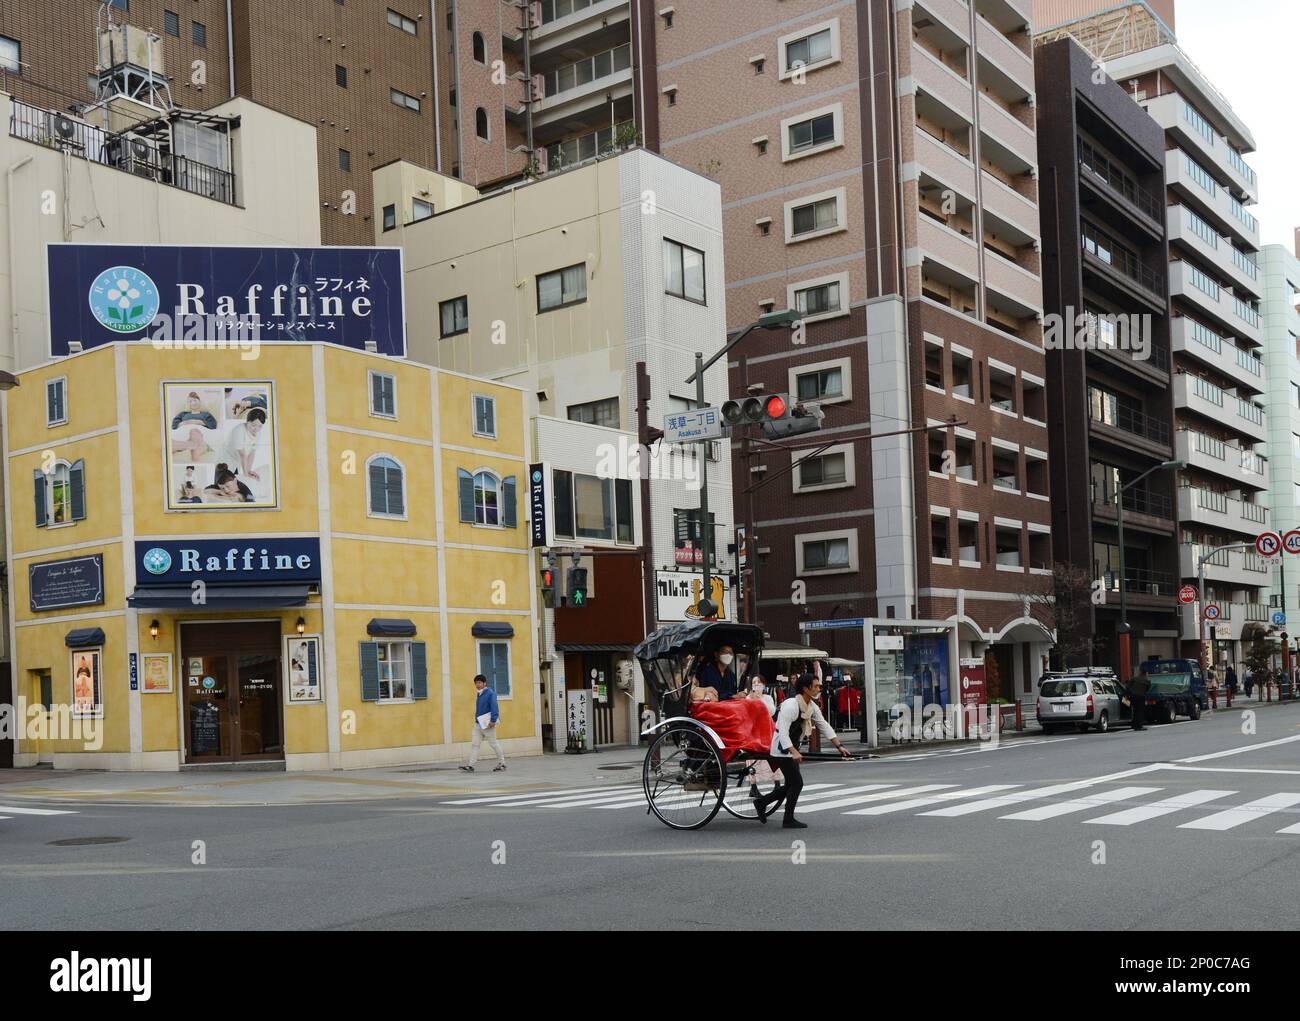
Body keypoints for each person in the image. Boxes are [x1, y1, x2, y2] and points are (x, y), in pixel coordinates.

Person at [756, 673, 853, 828]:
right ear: (805, 689)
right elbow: (782, 733)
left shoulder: (811, 706)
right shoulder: (791, 705)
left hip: (792, 747)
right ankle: (787, 819)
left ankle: (762, 803)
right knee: (797, 783)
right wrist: (793, 751)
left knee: (791, 784)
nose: (818, 688)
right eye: (815, 686)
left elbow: (823, 725)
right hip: (780, 749)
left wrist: (839, 746)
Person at [460, 674, 506, 772]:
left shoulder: (490, 693)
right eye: (476, 683)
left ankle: (502, 763)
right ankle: (470, 765)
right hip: (478, 724)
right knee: (475, 744)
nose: (478, 685)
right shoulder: (479, 693)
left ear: (485, 683)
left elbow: (494, 707)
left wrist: (493, 720)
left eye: (479, 683)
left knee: (493, 744)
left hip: (488, 724)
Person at [220, 407, 268, 485]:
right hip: (226, 459)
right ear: (247, 421)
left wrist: (248, 471)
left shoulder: (257, 432)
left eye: (260, 426)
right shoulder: (239, 430)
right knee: (224, 482)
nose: (256, 429)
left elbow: (252, 452)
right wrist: (246, 475)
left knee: (234, 482)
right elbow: (243, 454)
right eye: (253, 425)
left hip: (237, 460)